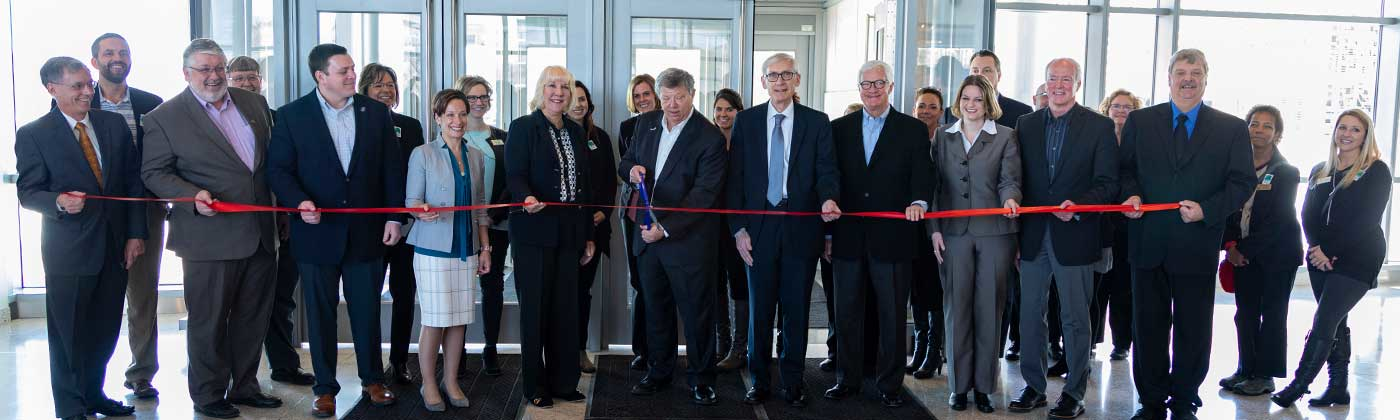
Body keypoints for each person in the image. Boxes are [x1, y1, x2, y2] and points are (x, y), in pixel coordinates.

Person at [137, 38, 281, 419]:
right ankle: (208, 394)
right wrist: (191, 194)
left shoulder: (254, 103)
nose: (214, 76)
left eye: (219, 67)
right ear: (186, 74)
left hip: (262, 233)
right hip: (207, 238)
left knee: (252, 318)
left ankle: (246, 386)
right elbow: (153, 173)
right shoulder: (163, 118)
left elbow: (266, 164)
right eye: (205, 69)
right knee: (209, 322)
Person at [266, 43, 406, 417]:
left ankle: (373, 380)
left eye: (352, 69)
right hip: (316, 232)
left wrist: (395, 217)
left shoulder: (376, 113)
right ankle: (325, 387)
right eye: (343, 71)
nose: (350, 76)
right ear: (320, 76)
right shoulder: (292, 115)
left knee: (366, 310)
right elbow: (278, 170)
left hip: (366, 232)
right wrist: (299, 202)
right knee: (321, 312)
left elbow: (391, 170)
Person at [1118, 49, 1255, 420]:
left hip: (1196, 244)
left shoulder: (1230, 128)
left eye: (1196, 72)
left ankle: (1183, 400)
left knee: (1194, 330)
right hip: (1148, 243)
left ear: (1206, 78)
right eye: (1181, 72)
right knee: (1147, 327)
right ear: (1169, 78)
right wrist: (1130, 195)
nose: (1188, 79)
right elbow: (1125, 170)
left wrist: (1208, 210)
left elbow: (1243, 182)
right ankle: (1150, 401)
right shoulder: (1141, 122)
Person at [19, 56, 146, 420]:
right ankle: (71, 406)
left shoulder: (112, 124)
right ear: (51, 89)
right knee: (69, 334)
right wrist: (57, 201)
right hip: (69, 252)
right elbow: (28, 191)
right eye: (77, 86)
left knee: (105, 329)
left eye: (88, 84)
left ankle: (94, 395)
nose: (87, 91)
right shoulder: (34, 134)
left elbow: (132, 183)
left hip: (115, 246)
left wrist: (136, 233)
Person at [726, 52, 840, 407]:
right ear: (763, 82)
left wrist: (828, 200)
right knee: (759, 311)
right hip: (757, 229)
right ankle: (758, 381)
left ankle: (793, 382)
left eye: (786, 74)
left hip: (801, 226)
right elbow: (735, 180)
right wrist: (738, 229)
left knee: (796, 310)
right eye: (772, 75)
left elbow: (827, 170)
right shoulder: (746, 121)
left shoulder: (817, 121)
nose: (779, 81)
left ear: (797, 80)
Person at [1006, 58, 1118, 419]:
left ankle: (1074, 392)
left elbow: (1108, 185)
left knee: (1074, 319)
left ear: (1078, 84)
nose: (1058, 85)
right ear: (1045, 82)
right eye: (1052, 78)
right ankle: (1034, 387)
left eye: (1066, 79)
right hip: (1034, 236)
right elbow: (1018, 179)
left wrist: (1080, 206)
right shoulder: (1026, 124)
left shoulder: (1099, 127)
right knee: (1029, 317)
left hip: (1077, 234)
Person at [825, 60, 934, 408]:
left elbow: (923, 174)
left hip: (893, 237)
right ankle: (847, 379)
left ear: (890, 86)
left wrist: (919, 201)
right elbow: (830, 173)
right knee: (846, 312)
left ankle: (889, 384)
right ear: (858, 89)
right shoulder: (839, 127)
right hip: (848, 236)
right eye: (865, 84)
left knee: (891, 314)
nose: (872, 90)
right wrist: (828, 205)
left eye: (878, 83)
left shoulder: (912, 129)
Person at [619, 67, 728, 406]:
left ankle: (701, 379)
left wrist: (664, 229)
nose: (671, 105)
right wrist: (631, 170)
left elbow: (704, 195)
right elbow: (626, 163)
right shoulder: (646, 123)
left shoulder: (709, 137)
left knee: (697, 314)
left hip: (687, 242)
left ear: (692, 95)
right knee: (656, 309)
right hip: (647, 241)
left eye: (679, 97)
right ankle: (659, 371)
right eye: (666, 98)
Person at [1272, 109, 1390, 408]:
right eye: (1342, 128)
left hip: (1358, 257)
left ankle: (1299, 385)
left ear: (1366, 136)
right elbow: (1307, 213)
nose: (1347, 134)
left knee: (1325, 319)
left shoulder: (1376, 171)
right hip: (1319, 257)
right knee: (1336, 319)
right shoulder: (1320, 170)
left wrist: (1330, 250)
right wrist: (1316, 248)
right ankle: (1338, 387)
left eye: (1355, 130)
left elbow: (1366, 219)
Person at [81, 33, 167, 400]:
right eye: (109, 53)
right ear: (95, 62)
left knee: (143, 296)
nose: (118, 58)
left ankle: (141, 373)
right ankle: (88, 378)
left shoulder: (152, 104)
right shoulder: (81, 101)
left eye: (124, 52)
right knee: (96, 295)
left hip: (145, 211)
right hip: (95, 217)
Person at [930, 74, 1021, 414]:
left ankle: (984, 388)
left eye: (978, 99)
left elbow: (1010, 179)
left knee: (989, 310)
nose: (971, 104)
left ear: (988, 103)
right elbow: (935, 186)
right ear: (958, 101)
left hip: (995, 234)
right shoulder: (943, 136)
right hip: (952, 234)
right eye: (965, 98)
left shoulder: (1006, 137)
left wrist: (1011, 199)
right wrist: (934, 229)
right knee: (956, 311)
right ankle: (958, 387)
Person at [506, 65, 596, 408]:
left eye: (564, 86)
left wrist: (588, 235)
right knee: (536, 311)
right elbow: (515, 173)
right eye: (551, 85)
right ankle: (536, 385)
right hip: (534, 232)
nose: (558, 91)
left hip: (570, 234)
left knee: (565, 310)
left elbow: (584, 187)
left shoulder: (575, 131)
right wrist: (525, 197)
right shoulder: (523, 127)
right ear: (540, 90)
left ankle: (564, 382)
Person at [404, 88, 492, 412]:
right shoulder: (423, 154)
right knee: (435, 320)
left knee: (459, 320)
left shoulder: (476, 156)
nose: (457, 121)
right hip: (432, 250)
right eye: (450, 115)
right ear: (438, 118)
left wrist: (485, 248)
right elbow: (411, 204)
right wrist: (421, 210)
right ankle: (429, 382)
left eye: (462, 114)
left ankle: (451, 380)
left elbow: (481, 207)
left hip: (465, 249)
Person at [1216, 105, 1302, 397]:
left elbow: (1278, 221)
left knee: (1273, 314)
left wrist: (1243, 250)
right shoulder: (1235, 169)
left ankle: (1265, 375)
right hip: (1242, 254)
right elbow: (1226, 209)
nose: (1260, 130)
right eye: (1255, 124)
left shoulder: (1286, 172)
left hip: (1277, 256)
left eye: (1268, 126)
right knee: (1246, 313)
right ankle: (1246, 368)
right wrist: (1230, 247)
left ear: (1277, 134)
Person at [358, 63, 426, 385]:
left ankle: (399, 361)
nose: (386, 90)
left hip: (406, 227)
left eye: (390, 85)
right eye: (377, 85)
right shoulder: (354, 123)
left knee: (404, 294)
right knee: (367, 298)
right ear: (364, 90)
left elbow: (418, 175)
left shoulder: (410, 126)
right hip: (368, 230)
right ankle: (370, 368)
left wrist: (407, 215)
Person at [969, 50, 1032, 361]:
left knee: (1001, 293)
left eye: (988, 70)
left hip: (1005, 218)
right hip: (964, 222)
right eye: (976, 69)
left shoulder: (1020, 114)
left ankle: (994, 353)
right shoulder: (959, 110)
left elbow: (1025, 171)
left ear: (999, 75)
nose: (982, 74)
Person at [455, 75, 511, 376]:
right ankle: (457, 350)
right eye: (472, 97)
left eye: (484, 96)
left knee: (493, 287)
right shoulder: (453, 134)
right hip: (462, 226)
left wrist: (494, 214)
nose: (479, 102)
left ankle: (491, 348)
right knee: (462, 289)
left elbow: (512, 179)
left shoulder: (502, 136)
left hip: (496, 225)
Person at [569, 80, 617, 374]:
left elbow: (610, 181)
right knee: (562, 293)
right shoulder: (556, 135)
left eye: (582, 99)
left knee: (582, 292)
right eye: (573, 99)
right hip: (565, 229)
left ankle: (579, 349)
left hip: (596, 227)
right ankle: (558, 350)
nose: (578, 104)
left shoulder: (600, 137)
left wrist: (603, 212)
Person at [1093, 89, 1141, 362]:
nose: (1121, 111)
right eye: (1117, 106)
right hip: (1100, 222)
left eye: (1128, 107)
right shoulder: (1098, 137)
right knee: (1098, 285)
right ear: (1107, 108)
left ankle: (1122, 342)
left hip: (1129, 225)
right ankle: (1093, 340)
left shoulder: (1140, 141)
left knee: (1124, 286)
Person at [619, 73, 658, 371]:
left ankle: (659, 349)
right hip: (635, 211)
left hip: (666, 213)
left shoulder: (673, 124)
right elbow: (625, 166)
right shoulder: (628, 127)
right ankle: (640, 348)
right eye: (638, 94)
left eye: (647, 93)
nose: (643, 98)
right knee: (639, 282)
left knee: (658, 282)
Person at [711, 88, 751, 371]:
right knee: (715, 283)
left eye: (729, 110)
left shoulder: (747, 142)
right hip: (711, 225)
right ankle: (721, 344)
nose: (723, 115)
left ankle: (740, 348)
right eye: (719, 110)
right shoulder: (708, 140)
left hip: (739, 225)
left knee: (739, 284)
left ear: (739, 111)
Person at [909, 86, 946, 379]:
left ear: (941, 111)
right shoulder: (908, 136)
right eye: (922, 106)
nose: (926, 112)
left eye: (932, 107)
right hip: (913, 227)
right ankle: (919, 347)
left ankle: (934, 351)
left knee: (935, 290)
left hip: (941, 227)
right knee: (917, 290)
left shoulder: (946, 141)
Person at [968, 50, 1033, 128]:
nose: (980, 76)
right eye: (975, 71)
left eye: (987, 70)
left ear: (999, 76)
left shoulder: (1023, 113)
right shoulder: (951, 114)